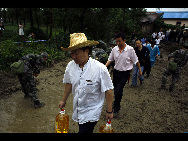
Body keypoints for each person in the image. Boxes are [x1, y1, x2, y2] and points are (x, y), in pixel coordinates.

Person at [59, 33, 114, 133]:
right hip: (78, 108)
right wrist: (63, 100)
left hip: (92, 111)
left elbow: (108, 90)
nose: (73, 56)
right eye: (72, 53)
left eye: (76, 53)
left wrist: (109, 111)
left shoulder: (100, 69)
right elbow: (69, 83)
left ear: (86, 51)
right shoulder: (70, 66)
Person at [105, 32, 142, 115]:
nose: (118, 43)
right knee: (116, 90)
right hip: (116, 73)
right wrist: (104, 67)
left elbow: (136, 61)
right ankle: (116, 102)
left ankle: (116, 108)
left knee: (118, 90)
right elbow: (110, 59)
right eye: (116, 42)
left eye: (119, 41)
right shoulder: (114, 49)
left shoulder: (130, 50)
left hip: (125, 74)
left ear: (124, 40)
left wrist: (140, 70)